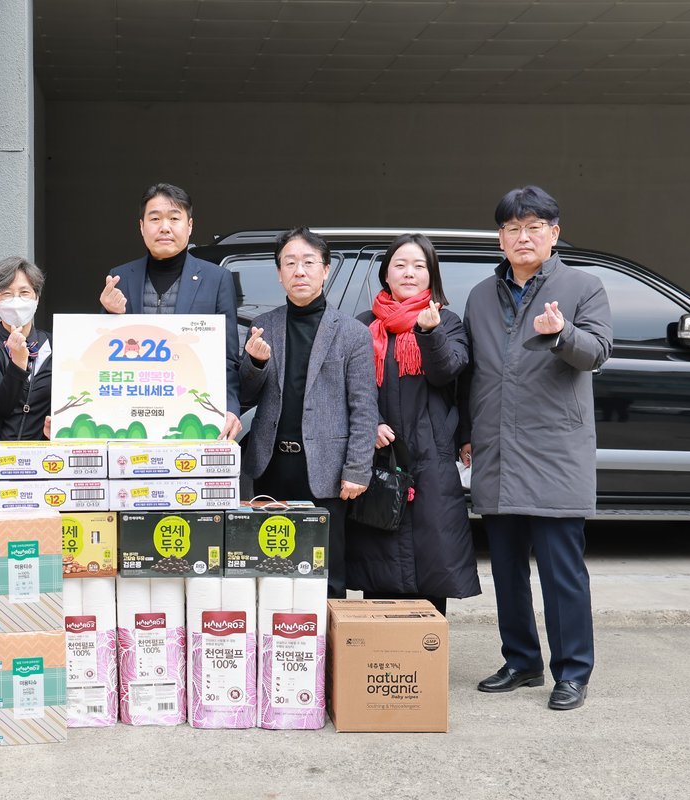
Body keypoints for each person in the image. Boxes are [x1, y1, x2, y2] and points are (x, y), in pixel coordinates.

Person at [462, 186, 612, 711]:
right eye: (512, 229)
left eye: (533, 227)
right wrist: (467, 432)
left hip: (555, 451)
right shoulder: (480, 295)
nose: (522, 237)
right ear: (500, 239)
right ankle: (521, 661)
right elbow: (473, 373)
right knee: (506, 569)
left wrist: (563, 332)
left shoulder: (584, 287)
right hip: (497, 448)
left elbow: (598, 351)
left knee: (560, 571)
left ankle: (572, 672)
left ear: (554, 233)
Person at [345, 234, 481, 615]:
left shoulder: (446, 322)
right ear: (386, 274)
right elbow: (347, 386)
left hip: (431, 461)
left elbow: (447, 373)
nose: (409, 273)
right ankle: (382, 646)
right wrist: (370, 424)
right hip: (379, 460)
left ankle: (426, 645)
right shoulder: (364, 325)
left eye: (419, 266)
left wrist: (430, 334)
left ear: (431, 275)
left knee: (431, 565)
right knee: (379, 568)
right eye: (400, 265)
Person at [238, 227, 376, 598]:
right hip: (269, 467)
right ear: (279, 273)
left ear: (326, 270)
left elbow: (364, 408)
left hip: (326, 470)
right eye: (290, 263)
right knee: (269, 568)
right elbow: (245, 395)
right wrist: (255, 362)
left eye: (309, 262)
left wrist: (357, 470)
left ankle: (327, 637)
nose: (299, 271)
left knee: (327, 574)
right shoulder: (264, 327)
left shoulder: (352, 333)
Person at [99, 183, 241, 439]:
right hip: (131, 414)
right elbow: (100, 354)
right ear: (141, 226)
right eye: (155, 219)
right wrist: (110, 315)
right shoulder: (120, 277)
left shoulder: (217, 279)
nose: (165, 227)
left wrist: (230, 407)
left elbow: (227, 357)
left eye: (174, 218)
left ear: (189, 225)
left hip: (193, 412)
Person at [0, 256, 53, 441]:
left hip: (45, 454)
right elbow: (2, 404)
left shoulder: (55, 345)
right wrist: (18, 363)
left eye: (24, 292)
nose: (16, 301)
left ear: (37, 298)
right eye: (6, 293)